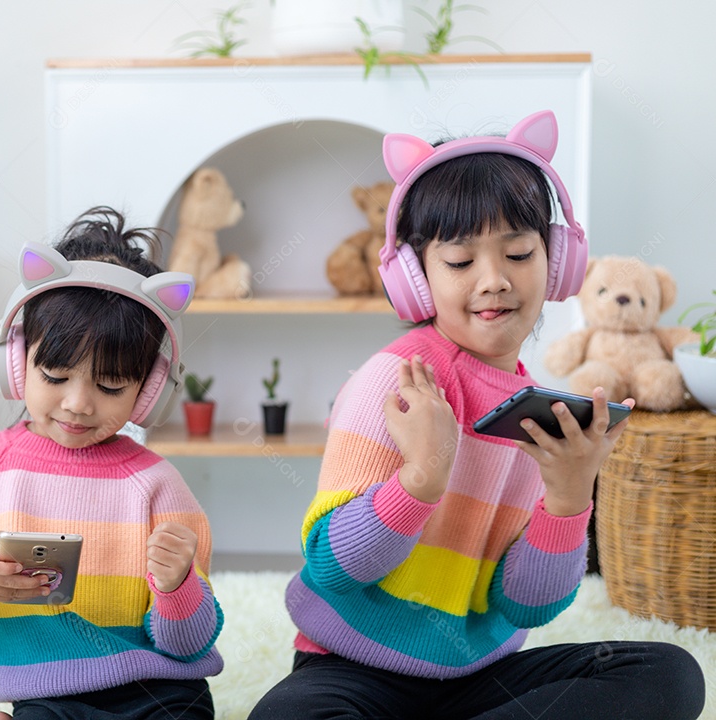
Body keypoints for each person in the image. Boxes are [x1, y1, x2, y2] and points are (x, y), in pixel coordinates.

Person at [249, 111, 705, 719]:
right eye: (460, 263)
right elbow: (332, 569)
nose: (494, 280)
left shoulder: (541, 416)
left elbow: (523, 607)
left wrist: (569, 498)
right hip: (353, 671)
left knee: (669, 674)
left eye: (518, 253)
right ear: (415, 277)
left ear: (557, 260)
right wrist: (421, 481)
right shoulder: (392, 381)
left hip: (481, 680)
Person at [0, 207, 223, 720]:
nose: (78, 404)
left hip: (161, 693)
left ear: (150, 391)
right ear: (15, 359)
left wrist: (178, 586)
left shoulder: (159, 486)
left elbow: (189, 644)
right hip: (48, 699)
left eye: (111, 386)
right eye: (54, 375)